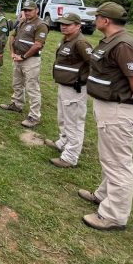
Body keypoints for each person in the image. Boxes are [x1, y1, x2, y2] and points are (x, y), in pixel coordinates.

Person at [78, 2, 133, 231]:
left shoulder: (123, 45)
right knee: (109, 158)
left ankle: (113, 215)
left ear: (105, 21)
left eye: (98, 17)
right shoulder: (113, 41)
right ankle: (103, 194)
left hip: (119, 109)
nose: (95, 21)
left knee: (118, 164)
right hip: (109, 106)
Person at [44, 13, 93, 168]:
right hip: (65, 85)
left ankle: (71, 157)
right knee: (63, 117)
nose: (63, 26)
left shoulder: (81, 43)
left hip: (75, 88)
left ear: (78, 26)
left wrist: (83, 80)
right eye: (62, 23)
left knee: (74, 122)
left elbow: (94, 64)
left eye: (68, 24)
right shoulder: (67, 39)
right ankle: (63, 142)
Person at [0, 0, 48, 128]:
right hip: (18, 57)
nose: (26, 12)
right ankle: (17, 104)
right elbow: (12, 37)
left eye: (29, 10)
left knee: (32, 88)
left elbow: (38, 44)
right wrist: (12, 53)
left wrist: (24, 56)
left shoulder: (40, 24)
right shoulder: (22, 21)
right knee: (17, 83)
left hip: (30, 60)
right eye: (25, 10)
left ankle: (34, 116)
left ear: (36, 10)